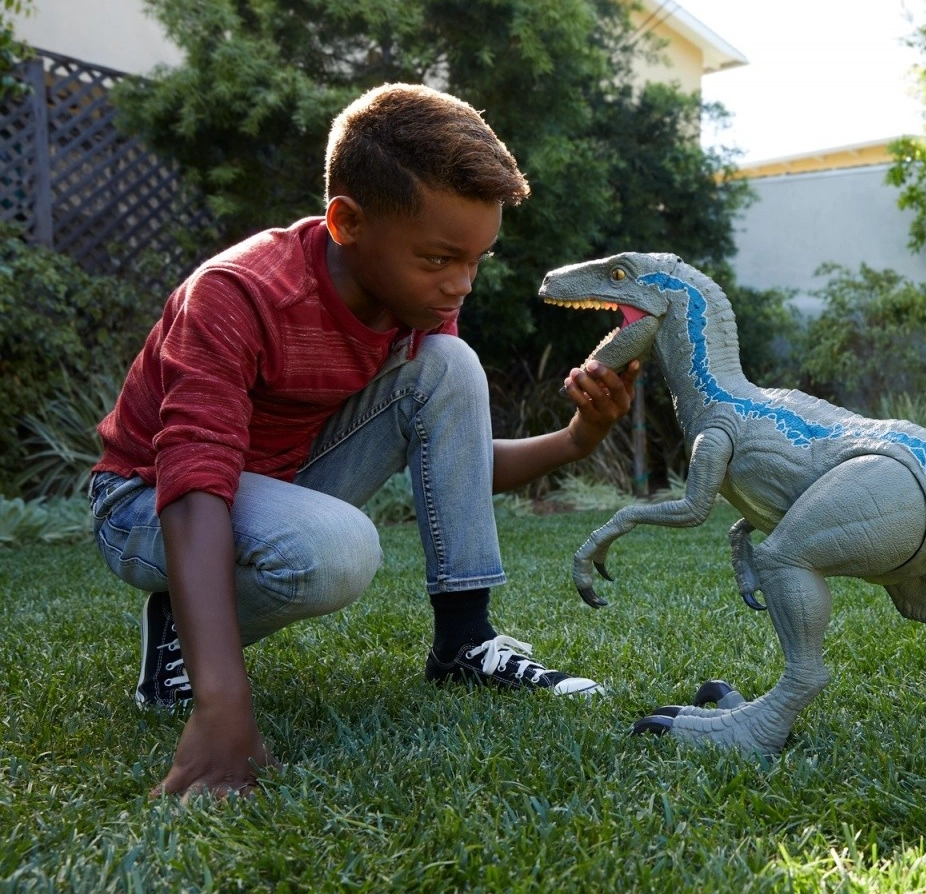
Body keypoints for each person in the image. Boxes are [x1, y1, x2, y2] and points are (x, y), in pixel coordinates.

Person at [90, 83, 639, 799]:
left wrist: (577, 438)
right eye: (439, 259)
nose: (462, 284)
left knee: (450, 364)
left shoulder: (414, 305)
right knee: (338, 550)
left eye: (477, 259)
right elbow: (194, 479)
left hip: (275, 481)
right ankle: (181, 642)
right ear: (347, 222)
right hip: (144, 500)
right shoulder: (238, 294)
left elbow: (456, 467)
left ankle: (464, 642)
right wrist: (223, 703)